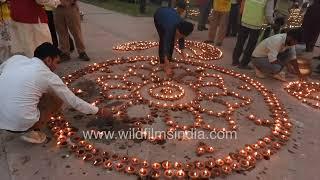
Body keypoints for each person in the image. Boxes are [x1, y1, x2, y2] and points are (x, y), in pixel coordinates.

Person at [0, 43, 112, 144]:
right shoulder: (48, 76)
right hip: (21, 121)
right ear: (48, 60)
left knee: (34, 91)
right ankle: (31, 131)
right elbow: (72, 100)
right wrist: (98, 111)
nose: (57, 66)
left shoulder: (16, 59)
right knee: (56, 99)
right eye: (56, 62)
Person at [232, 0, 275, 69]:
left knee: (240, 41)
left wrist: (241, 14)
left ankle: (235, 61)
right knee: (250, 45)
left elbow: (243, 2)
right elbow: (268, 14)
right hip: (256, 24)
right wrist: (272, 22)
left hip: (245, 19)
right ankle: (243, 64)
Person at [153, 7, 194, 76]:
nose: (179, 37)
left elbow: (181, 37)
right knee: (164, 39)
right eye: (179, 35)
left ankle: (169, 60)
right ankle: (163, 63)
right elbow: (166, 45)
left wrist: (183, 53)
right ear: (177, 29)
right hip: (159, 15)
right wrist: (167, 66)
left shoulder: (182, 25)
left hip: (170, 14)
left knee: (172, 39)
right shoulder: (169, 28)